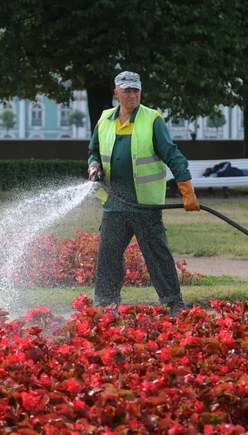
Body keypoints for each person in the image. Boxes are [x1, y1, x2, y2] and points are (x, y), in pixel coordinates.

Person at [86, 71, 200, 317]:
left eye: (135, 90)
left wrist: (186, 189)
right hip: (114, 203)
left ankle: (174, 304)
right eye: (126, 90)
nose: (132, 94)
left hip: (145, 204)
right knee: (109, 255)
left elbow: (173, 155)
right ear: (116, 92)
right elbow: (93, 151)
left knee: (157, 254)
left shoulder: (152, 119)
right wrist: (94, 166)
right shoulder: (105, 119)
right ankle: (106, 305)